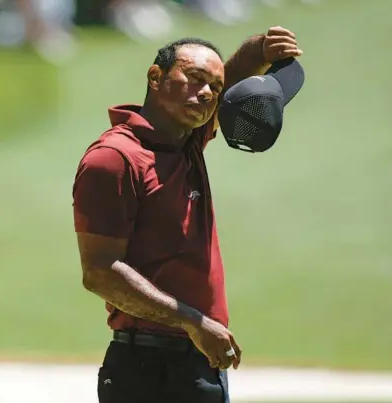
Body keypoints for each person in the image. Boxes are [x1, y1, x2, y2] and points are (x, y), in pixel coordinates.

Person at [72, 26, 303, 403]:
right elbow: (100, 272)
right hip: (148, 371)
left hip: (196, 362)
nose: (208, 93)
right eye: (194, 78)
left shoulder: (185, 142)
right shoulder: (113, 159)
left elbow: (229, 82)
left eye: (214, 87)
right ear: (155, 77)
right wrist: (193, 322)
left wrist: (260, 48)